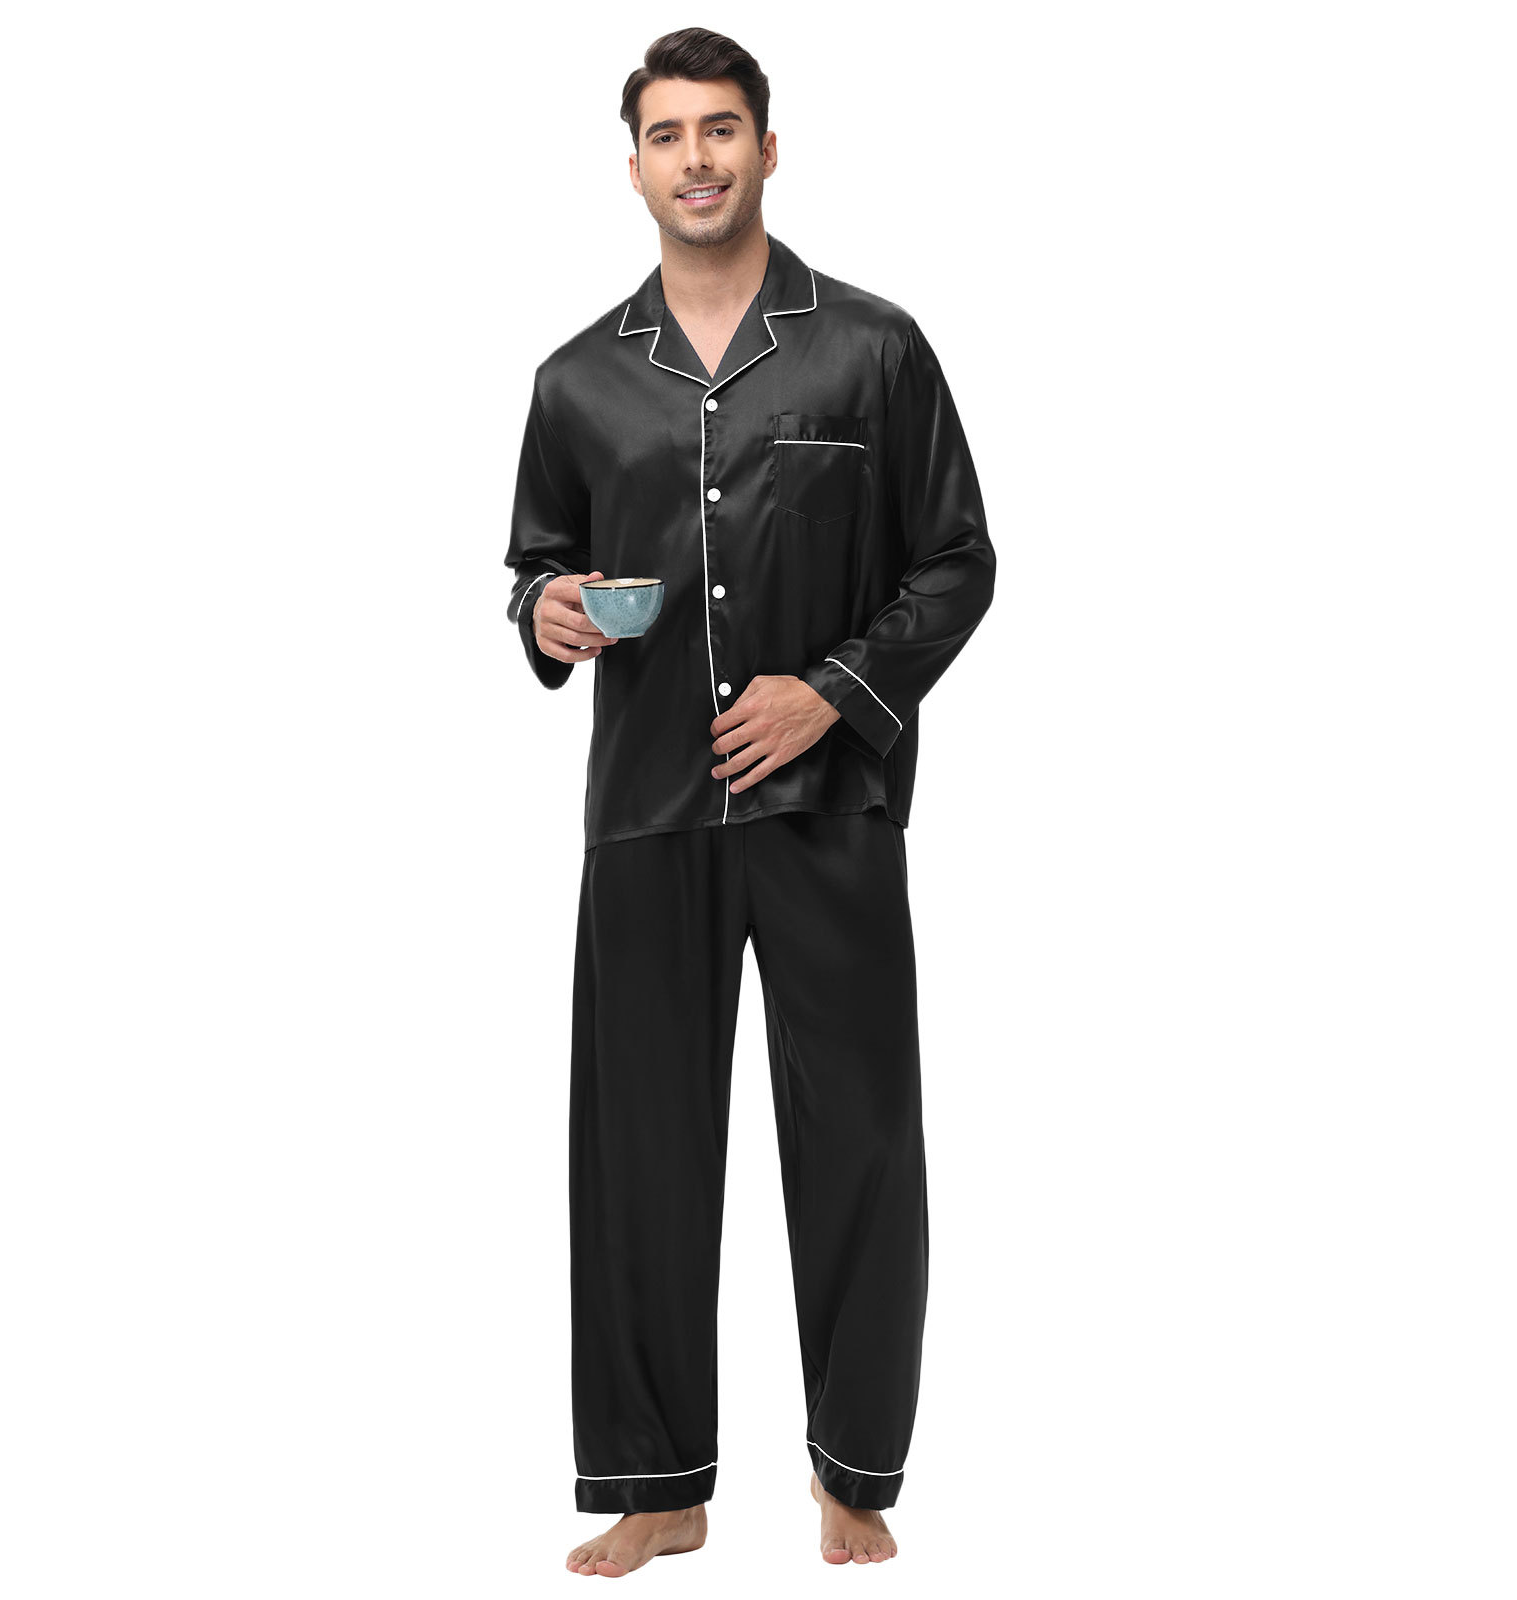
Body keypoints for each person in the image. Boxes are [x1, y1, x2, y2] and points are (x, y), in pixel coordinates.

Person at [503, 26, 996, 1577]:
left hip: (830, 807)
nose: (697, 158)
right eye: (668, 134)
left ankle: (856, 1471)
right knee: (638, 1155)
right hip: (646, 813)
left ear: (767, 149)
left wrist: (831, 691)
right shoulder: (578, 380)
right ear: (634, 165)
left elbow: (958, 559)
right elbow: (537, 566)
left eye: (721, 129)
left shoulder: (873, 350)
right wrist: (547, 612)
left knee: (859, 1142)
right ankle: (659, 1486)